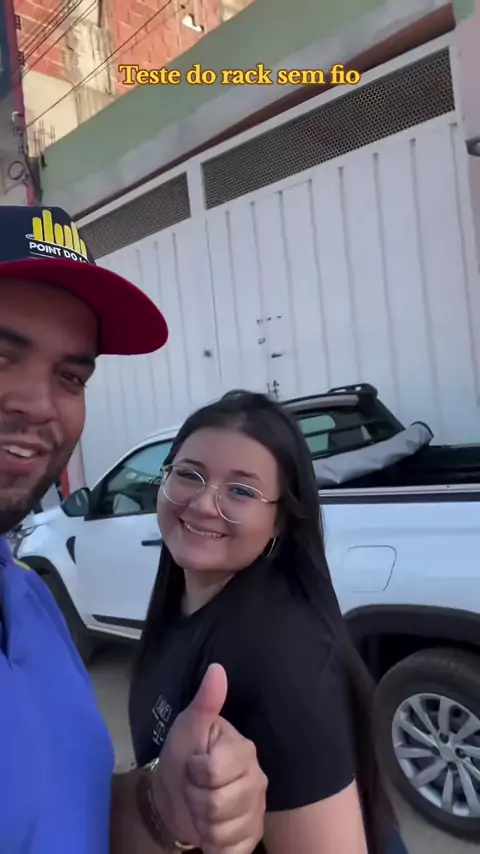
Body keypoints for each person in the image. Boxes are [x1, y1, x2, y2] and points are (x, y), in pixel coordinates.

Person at [0, 205, 267, 854]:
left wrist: (161, 807)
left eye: (72, 376)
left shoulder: (28, 599)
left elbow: (66, 814)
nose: (40, 404)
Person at [129, 390, 409, 854]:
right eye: (189, 474)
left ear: (280, 521)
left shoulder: (285, 659)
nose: (203, 504)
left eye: (241, 490)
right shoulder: (180, 599)